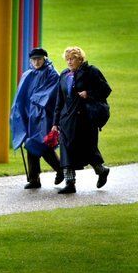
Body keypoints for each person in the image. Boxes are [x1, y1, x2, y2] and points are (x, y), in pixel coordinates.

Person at [52, 46, 111, 194]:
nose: (69, 62)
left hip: (85, 118)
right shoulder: (64, 75)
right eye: (67, 59)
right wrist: (55, 123)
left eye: (72, 59)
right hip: (66, 118)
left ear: (80, 59)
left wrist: (89, 93)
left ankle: (101, 170)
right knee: (66, 149)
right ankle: (70, 183)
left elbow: (105, 90)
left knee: (87, 148)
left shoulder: (91, 72)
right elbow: (60, 100)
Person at [10, 47, 63, 189]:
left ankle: (59, 170)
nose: (37, 62)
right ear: (30, 60)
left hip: (44, 116)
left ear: (45, 59)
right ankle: (35, 178)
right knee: (30, 143)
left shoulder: (52, 74)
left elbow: (49, 95)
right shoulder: (27, 74)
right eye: (34, 59)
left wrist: (34, 105)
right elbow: (20, 97)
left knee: (40, 143)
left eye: (39, 59)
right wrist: (18, 113)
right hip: (30, 116)